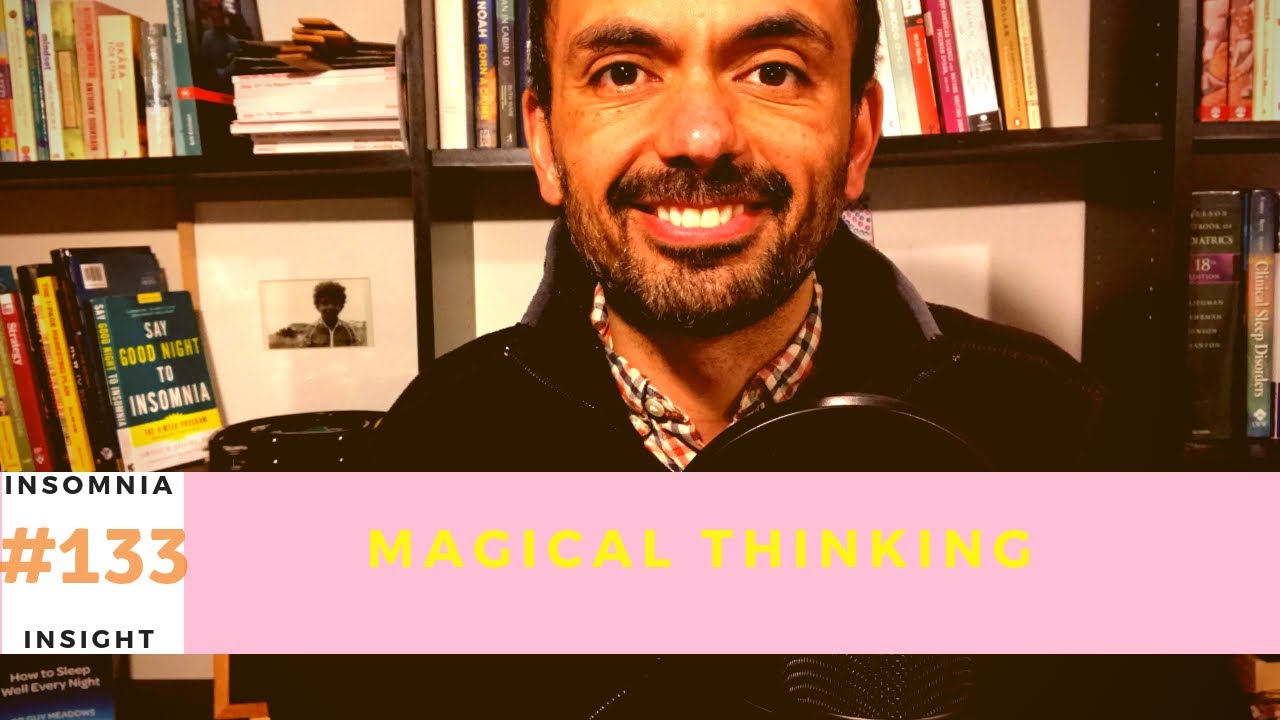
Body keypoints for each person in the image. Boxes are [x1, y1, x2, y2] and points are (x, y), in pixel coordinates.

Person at [378, 0, 1105, 470]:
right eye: (623, 73)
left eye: (774, 72)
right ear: (544, 144)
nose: (700, 137)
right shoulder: (432, 446)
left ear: (857, 138)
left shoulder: (1048, 428)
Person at [307, 281, 360, 348]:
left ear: (341, 306)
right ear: (317, 306)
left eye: (335, 303)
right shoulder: (310, 332)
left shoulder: (349, 331)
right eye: (325, 303)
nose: (330, 307)